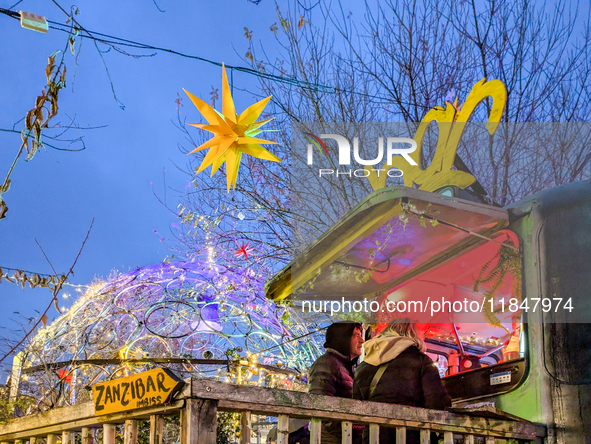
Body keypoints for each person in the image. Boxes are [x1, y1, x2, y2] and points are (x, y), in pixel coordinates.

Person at [353, 319, 451, 444]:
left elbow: (356, 407)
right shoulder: (421, 361)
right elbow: (437, 403)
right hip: (413, 436)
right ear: (413, 335)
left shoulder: (363, 367)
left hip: (373, 437)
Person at [307, 322, 365, 444]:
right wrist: (355, 430)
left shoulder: (346, 366)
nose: (362, 340)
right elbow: (321, 408)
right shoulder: (326, 364)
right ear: (342, 337)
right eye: (356, 335)